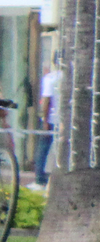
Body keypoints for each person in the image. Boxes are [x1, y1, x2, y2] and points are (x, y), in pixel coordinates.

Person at [32, 55, 59, 185]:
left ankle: (39, 177)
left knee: (43, 148)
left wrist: (45, 120)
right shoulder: (70, 78)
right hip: (64, 119)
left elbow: (47, 101)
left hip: (52, 118)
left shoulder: (50, 78)